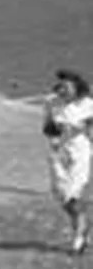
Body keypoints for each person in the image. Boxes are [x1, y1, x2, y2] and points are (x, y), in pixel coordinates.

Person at [41, 69, 93, 255]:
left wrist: (78, 129)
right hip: (57, 154)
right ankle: (82, 225)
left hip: (79, 153)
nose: (64, 90)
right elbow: (46, 128)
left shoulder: (88, 105)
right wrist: (55, 134)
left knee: (73, 195)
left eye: (68, 86)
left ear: (76, 87)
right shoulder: (51, 102)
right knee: (63, 196)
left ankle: (79, 238)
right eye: (61, 87)